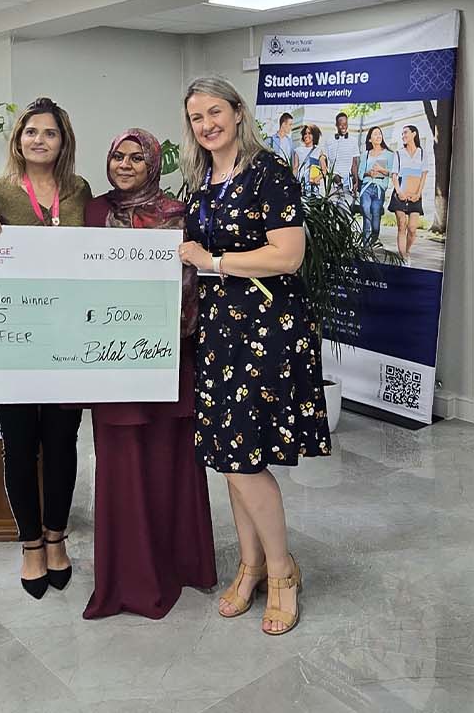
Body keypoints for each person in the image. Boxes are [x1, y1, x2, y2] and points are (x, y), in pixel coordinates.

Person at [177, 76, 330, 637]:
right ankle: (251, 565)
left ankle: (283, 572)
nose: (207, 124)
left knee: (243, 457)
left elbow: (288, 255)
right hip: (218, 330)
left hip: (267, 329)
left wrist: (213, 261)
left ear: (238, 113)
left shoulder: (270, 173)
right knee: (229, 455)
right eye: (196, 117)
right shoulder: (200, 180)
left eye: (215, 112)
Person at [80, 128, 217, 620]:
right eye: (118, 156)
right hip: (110, 358)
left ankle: (179, 564)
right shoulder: (92, 212)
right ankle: (128, 577)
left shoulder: (178, 213)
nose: (125, 164)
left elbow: (195, 284)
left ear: (154, 164)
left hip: (168, 356)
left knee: (166, 461)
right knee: (120, 465)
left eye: (137, 158)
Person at [0, 97, 92, 598]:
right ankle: (30, 545)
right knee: (19, 445)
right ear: (18, 139)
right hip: (14, 336)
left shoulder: (79, 190)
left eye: (50, 133)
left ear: (63, 142)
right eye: (31, 132)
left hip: (68, 335)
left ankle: (56, 536)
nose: (40, 140)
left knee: (63, 442)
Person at [392, 125, 431, 264]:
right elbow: (394, 175)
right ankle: (402, 256)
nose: (403, 136)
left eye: (406, 133)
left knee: (412, 229)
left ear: (414, 134)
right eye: (402, 134)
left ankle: (407, 250)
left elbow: (423, 176)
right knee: (402, 224)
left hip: (415, 196)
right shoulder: (398, 153)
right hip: (400, 195)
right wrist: (399, 192)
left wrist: (418, 194)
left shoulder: (422, 153)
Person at [359, 126, 396, 245]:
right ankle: (365, 245)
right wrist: (368, 173)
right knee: (366, 210)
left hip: (380, 188)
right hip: (366, 186)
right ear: (370, 139)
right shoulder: (365, 154)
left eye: (380, 134)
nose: (378, 136)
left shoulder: (389, 154)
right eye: (375, 134)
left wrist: (381, 170)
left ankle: (374, 238)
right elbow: (360, 173)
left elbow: (392, 173)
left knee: (375, 214)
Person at [329, 111, 360, 198]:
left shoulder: (353, 141)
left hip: (347, 183)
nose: (343, 126)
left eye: (345, 124)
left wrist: (356, 181)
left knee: (347, 205)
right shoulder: (329, 141)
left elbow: (354, 163)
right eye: (340, 124)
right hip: (333, 183)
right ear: (336, 125)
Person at [293, 124, 326, 197]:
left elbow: (324, 170)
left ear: (314, 135)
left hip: (313, 186)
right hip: (301, 185)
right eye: (305, 133)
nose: (306, 135)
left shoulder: (319, 151)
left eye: (309, 133)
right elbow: (295, 167)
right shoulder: (298, 151)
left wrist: (317, 178)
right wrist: (293, 182)